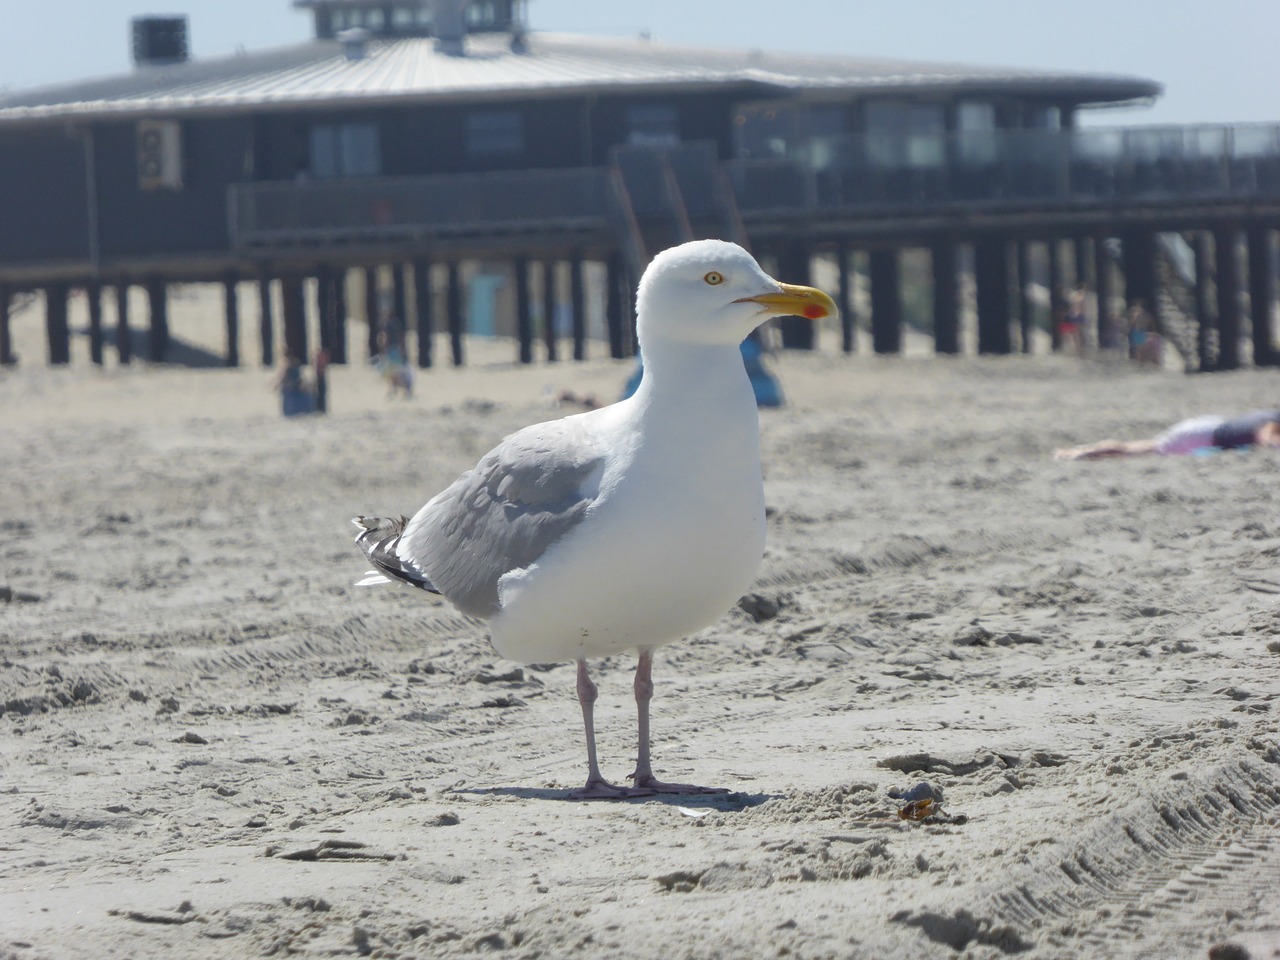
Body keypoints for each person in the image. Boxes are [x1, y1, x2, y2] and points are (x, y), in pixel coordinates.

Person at [1054, 408, 1280, 460]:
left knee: (1142, 445)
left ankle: (1074, 451)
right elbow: (1267, 439)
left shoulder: (1267, 414)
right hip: (1199, 435)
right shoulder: (1270, 422)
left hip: (1206, 427)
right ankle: (1076, 453)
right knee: (1134, 449)